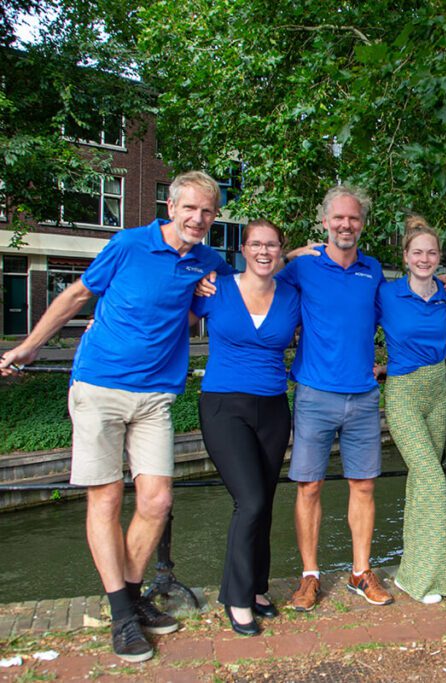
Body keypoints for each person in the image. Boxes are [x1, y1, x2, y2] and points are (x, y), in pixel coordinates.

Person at [0, 171, 232, 661]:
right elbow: (76, 297)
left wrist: (206, 297)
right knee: (104, 500)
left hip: (155, 397)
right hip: (99, 387)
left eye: (208, 211)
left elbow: (219, 298)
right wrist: (25, 348)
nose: (198, 218)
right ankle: (124, 617)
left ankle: (127, 599)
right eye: (190, 208)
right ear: (170, 207)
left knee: (156, 499)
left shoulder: (209, 261)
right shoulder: (127, 245)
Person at [278, 185, 393, 609]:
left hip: (363, 395)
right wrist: (289, 254)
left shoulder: (373, 269)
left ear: (362, 224)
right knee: (309, 486)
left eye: (354, 218)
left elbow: (398, 309)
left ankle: (360, 573)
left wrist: (441, 284)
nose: (346, 225)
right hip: (314, 394)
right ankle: (310, 576)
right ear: (325, 222)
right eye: (338, 218)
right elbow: (258, 273)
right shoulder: (304, 267)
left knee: (363, 485)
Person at [192, 219, 300, 636]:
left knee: (266, 500)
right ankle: (236, 599)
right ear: (243, 249)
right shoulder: (214, 287)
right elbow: (171, 311)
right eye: (256, 244)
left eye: (272, 245)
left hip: (273, 408)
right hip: (223, 405)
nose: (263, 252)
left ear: (280, 251)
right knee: (250, 500)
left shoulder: (291, 294)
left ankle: (256, 588)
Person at [376, 215, 446, 605]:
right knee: (434, 480)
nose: (424, 259)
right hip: (404, 391)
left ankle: (411, 571)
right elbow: (353, 324)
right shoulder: (386, 294)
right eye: (417, 252)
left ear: (439, 257)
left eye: (431, 252)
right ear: (406, 257)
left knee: (421, 483)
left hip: (438, 388)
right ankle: (427, 579)